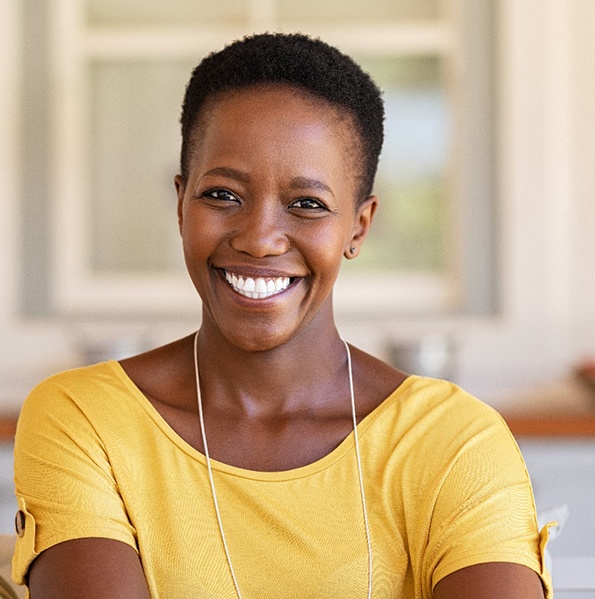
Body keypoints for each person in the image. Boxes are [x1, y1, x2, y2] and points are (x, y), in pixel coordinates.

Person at [12, 33, 553, 598]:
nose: (260, 239)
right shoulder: (85, 420)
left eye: (307, 204)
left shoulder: (454, 441)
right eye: (222, 195)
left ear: (359, 227)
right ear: (180, 204)